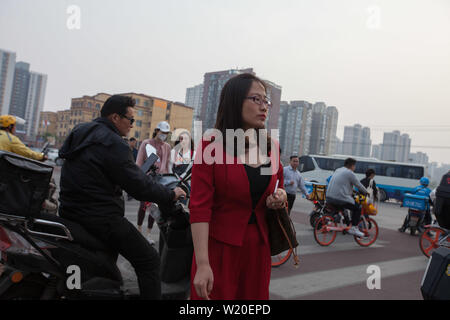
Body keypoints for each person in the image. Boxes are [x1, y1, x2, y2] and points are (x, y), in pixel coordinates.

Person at [58, 95, 186, 300]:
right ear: (115, 117)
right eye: (131, 119)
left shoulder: (80, 131)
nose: (132, 124)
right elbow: (137, 185)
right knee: (149, 260)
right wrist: (170, 194)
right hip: (100, 217)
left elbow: (93, 168)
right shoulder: (113, 142)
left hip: (70, 210)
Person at [189, 73, 286, 300]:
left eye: (266, 101)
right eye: (257, 99)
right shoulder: (211, 147)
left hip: (259, 249)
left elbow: (278, 186)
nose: (264, 107)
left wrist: (279, 196)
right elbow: (200, 209)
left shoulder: (270, 148)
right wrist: (203, 263)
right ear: (235, 101)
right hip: (218, 250)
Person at [135, 121, 172, 243]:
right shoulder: (146, 143)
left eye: (166, 133)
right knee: (143, 206)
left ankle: (148, 234)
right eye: (162, 132)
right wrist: (138, 177)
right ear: (156, 131)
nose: (164, 135)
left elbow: (167, 164)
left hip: (160, 181)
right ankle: (139, 230)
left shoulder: (167, 146)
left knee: (154, 208)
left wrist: (169, 179)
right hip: (146, 179)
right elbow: (139, 162)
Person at [326, 158, 369, 238]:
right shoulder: (350, 173)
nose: (354, 168)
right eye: (354, 166)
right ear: (352, 165)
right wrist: (366, 192)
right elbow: (358, 184)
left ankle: (343, 223)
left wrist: (353, 191)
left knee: (344, 208)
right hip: (339, 198)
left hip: (329, 197)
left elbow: (343, 185)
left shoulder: (338, 170)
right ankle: (353, 228)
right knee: (358, 207)